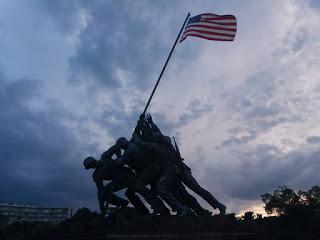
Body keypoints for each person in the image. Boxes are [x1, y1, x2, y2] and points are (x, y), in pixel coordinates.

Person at [144, 113, 226, 215]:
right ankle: (188, 210)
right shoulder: (162, 142)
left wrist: (150, 125)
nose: (153, 138)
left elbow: (155, 135)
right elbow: (156, 133)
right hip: (174, 172)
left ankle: (220, 205)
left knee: (197, 189)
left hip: (181, 169)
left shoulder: (164, 143)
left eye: (154, 138)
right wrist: (151, 124)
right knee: (185, 193)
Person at [115, 137, 170, 215]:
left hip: (149, 169)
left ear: (122, 146)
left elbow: (119, 162)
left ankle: (159, 208)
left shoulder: (130, 150)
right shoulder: (132, 146)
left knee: (140, 186)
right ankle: (162, 209)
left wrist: (118, 155)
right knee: (152, 190)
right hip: (149, 169)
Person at [83, 152, 149, 216]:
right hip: (119, 182)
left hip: (128, 176)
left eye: (90, 165)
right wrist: (102, 208)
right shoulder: (96, 175)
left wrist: (118, 156)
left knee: (134, 192)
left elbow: (116, 148)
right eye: (90, 166)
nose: (92, 166)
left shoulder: (105, 159)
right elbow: (101, 191)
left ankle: (147, 208)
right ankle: (122, 203)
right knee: (104, 193)